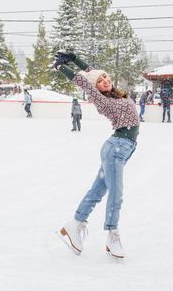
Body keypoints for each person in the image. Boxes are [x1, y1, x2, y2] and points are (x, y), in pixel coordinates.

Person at [54, 51, 139, 259]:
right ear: (96, 87)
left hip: (123, 149)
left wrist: (74, 58)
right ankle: (112, 234)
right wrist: (60, 67)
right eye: (100, 82)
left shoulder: (115, 94)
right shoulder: (100, 99)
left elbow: (90, 71)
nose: (105, 81)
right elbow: (83, 81)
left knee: (97, 192)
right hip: (116, 148)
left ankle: (74, 225)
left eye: (106, 77)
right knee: (116, 194)